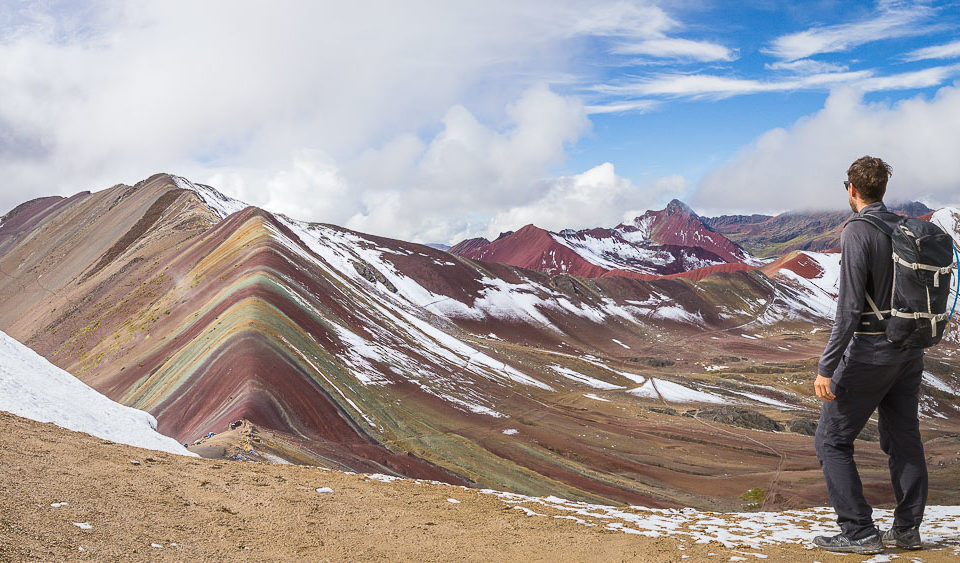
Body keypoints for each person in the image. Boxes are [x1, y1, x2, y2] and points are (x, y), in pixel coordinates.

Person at [812, 156, 927, 555]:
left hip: (871, 354)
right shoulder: (902, 227)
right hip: (910, 352)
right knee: (903, 438)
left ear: (852, 189)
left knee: (831, 440)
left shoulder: (859, 231)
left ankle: (858, 530)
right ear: (883, 189)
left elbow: (848, 308)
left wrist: (827, 367)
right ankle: (908, 530)